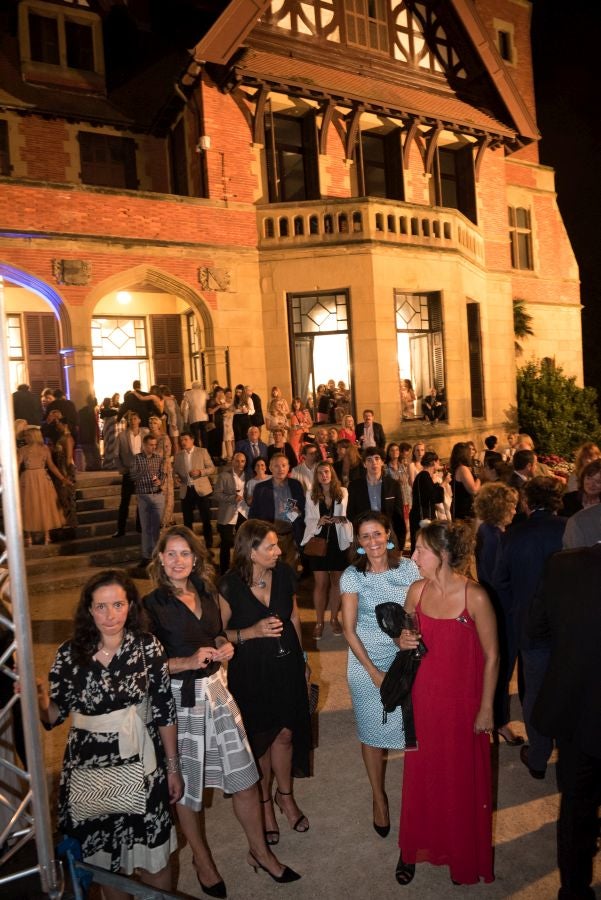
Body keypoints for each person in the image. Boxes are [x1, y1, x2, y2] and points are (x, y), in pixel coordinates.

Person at [144, 527, 299, 894]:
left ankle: (260, 852)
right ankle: (202, 859)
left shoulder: (206, 592)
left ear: (195, 558)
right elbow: (144, 664)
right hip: (180, 702)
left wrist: (222, 645)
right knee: (188, 790)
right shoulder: (150, 605)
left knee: (245, 777)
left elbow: (217, 633)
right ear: (160, 559)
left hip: (217, 691)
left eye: (185, 554)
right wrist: (185, 662)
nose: (178, 561)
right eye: (171, 554)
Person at [37, 569, 182, 898]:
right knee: (106, 864)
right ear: (88, 610)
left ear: (130, 606)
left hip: (142, 764)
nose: (110, 615)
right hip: (90, 770)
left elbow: (164, 710)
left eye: (118, 605)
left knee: (155, 857)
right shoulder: (69, 653)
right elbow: (54, 715)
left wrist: (173, 767)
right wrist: (38, 698)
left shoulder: (147, 647)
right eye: (101, 607)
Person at [397, 522, 498, 886]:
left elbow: (493, 656)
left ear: (442, 554)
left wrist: (486, 708)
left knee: (459, 778)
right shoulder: (416, 591)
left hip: (463, 703)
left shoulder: (476, 596)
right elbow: (404, 638)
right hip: (423, 698)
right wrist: (402, 640)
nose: (413, 556)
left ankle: (460, 852)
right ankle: (412, 846)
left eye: (420, 550)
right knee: (421, 774)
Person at [219, 519, 311, 852]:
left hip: (287, 664)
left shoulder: (284, 574)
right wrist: (251, 632)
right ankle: (265, 807)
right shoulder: (229, 585)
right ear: (250, 551)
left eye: (277, 545)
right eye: (270, 546)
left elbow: (294, 617)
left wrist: (303, 659)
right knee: (260, 741)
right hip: (250, 671)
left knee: (285, 733)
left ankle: (285, 797)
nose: (278, 551)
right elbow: (217, 635)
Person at [340, 512, 420, 839]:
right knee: (372, 732)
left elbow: (419, 611)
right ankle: (378, 798)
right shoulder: (352, 576)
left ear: (388, 535)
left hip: (405, 655)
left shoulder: (409, 569)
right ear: (358, 543)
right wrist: (373, 672)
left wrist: (407, 636)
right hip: (365, 660)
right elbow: (347, 629)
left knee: (413, 729)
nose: (372, 541)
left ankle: (419, 796)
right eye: (365, 536)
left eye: (377, 534)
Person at [530, 544, 601, 900]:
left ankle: (574, 891)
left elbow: (535, 630)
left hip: (576, 707)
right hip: (579, 709)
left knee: (576, 805)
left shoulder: (562, 565)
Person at [493, 477, 566, 779]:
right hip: (566, 624)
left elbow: (500, 580)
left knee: (534, 692)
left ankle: (538, 757)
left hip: (529, 625)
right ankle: (567, 750)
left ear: (527, 502)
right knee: (567, 687)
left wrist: (517, 606)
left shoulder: (513, 534)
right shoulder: (568, 528)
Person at [473, 482, 521, 745]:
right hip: (502, 609)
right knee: (502, 667)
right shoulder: (493, 536)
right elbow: (496, 578)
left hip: (499, 606)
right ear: (499, 507)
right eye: (511, 505)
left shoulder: (490, 531)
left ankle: (497, 718)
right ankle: (499, 721)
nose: (515, 509)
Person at [301, 461, 353, 639]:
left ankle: (333, 619)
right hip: (319, 540)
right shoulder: (311, 494)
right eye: (320, 473)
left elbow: (347, 516)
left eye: (327, 472)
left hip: (338, 541)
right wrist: (319, 521)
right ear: (316, 476)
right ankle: (319, 622)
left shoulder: (343, 492)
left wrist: (341, 519)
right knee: (321, 584)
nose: (324, 475)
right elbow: (308, 519)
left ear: (332, 473)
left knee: (337, 582)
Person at [249, 454, 305, 569]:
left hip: (291, 536)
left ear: (288, 467)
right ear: (270, 468)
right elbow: (253, 514)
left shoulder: (295, 485)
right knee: (272, 571)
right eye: (277, 466)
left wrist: (298, 512)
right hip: (269, 537)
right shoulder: (261, 488)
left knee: (290, 571)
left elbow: (303, 509)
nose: (281, 469)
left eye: (284, 465)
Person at [347, 447, 406, 549]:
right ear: (364, 464)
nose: (374, 463)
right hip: (365, 536)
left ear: (382, 462)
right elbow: (351, 514)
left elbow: (399, 517)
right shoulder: (354, 486)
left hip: (387, 535)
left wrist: (400, 544)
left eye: (377, 458)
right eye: (369, 460)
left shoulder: (393, 485)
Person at [18, 426, 67, 545]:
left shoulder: (31, 449)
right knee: (34, 505)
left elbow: (51, 466)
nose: (25, 438)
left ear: (32, 436)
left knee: (35, 505)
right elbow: (51, 466)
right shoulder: (30, 449)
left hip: (32, 478)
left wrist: (63, 478)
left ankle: (38, 536)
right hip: (36, 478)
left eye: (27, 435)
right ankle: (38, 537)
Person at [172, 432, 216, 550]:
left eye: (185, 439)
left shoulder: (202, 451)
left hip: (201, 490)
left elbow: (212, 468)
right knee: (187, 521)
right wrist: (176, 478)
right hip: (186, 490)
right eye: (181, 440)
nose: (183, 442)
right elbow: (175, 472)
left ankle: (209, 545)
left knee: (206, 519)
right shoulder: (178, 455)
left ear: (192, 440)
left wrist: (200, 472)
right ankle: (190, 546)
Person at [130, 434, 166, 567]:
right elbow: (132, 476)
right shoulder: (137, 458)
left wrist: (160, 481)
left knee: (156, 528)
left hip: (157, 495)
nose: (153, 447)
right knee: (146, 528)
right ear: (144, 445)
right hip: (144, 496)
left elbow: (163, 474)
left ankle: (156, 557)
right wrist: (144, 470)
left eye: (155, 445)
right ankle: (146, 557)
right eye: (151, 445)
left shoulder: (158, 458)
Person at [113, 411, 147, 538]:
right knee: (125, 501)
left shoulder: (145, 434)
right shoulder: (122, 435)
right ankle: (120, 529)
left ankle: (140, 526)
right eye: (131, 419)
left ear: (139, 420)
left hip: (142, 471)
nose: (133, 421)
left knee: (142, 500)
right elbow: (116, 454)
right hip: (128, 471)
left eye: (135, 418)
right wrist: (121, 468)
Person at [213, 452, 248, 574]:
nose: (240, 464)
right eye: (237, 461)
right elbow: (216, 494)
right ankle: (224, 570)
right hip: (227, 513)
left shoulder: (248, 476)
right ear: (232, 461)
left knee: (243, 544)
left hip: (244, 513)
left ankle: (240, 569)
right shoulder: (224, 475)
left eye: (242, 461)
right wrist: (232, 498)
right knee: (226, 543)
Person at [408, 450, 444, 552]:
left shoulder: (424, 476)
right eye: (438, 461)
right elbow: (435, 498)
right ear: (433, 462)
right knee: (422, 547)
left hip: (421, 516)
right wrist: (443, 484)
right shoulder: (424, 476)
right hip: (422, 517)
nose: (439, 464)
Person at [49, 418, 78, 538]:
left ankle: (71, 528)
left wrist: (67, 477)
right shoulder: (62, 438)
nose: (57, 426)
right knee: (63, 500)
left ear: (65, 424)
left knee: (67, 500)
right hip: (61, 470)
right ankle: (67, 527)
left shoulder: (68, 438)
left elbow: (69, 458)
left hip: (65, 471)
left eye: (58, 424)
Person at [148, 415, 175, 527]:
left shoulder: (164, 437)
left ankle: (165, 519)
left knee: (165, 494)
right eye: (150, 423)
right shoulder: (148, 438)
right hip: (150, 469)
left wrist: (162, 472)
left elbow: (167, 455)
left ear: (159, 425)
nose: (152, 425)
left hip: (163, 469)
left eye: (154, 423)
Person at [450, 442, 480, 520]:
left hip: (459, 508)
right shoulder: (463, 469)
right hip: (465, 510)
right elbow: (473, 490)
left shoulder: (457, 467)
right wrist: (480, 477)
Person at [181, 381, 209, 448]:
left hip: (194, 418)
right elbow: (208, 404)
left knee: (195, 437)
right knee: (204, 437)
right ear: (200, 386)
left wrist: (185, 421)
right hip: (204, 417)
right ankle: (205, 450)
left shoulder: (187, 393)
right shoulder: (205, 393)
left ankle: (197, 450)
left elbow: (185, 408)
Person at [78, 395, 102, 471]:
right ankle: (95, 466)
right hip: (90, 435)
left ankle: (90, 466)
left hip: (84, 435)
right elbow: (93, 425)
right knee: (94, 451)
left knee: (88, 452)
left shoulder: (82, 411)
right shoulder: (91, 411)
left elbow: (79, 424)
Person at [99, 397, 120, 470]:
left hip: (106, 429)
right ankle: (110, 463)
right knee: (111, 446)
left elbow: (101, 417)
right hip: (111, 429)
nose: (111, 402)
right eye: (110, 401)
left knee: (106, 445)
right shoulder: (113, 411)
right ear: (108, 402)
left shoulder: (102, 411)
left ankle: (106, 463)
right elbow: (118, 413)